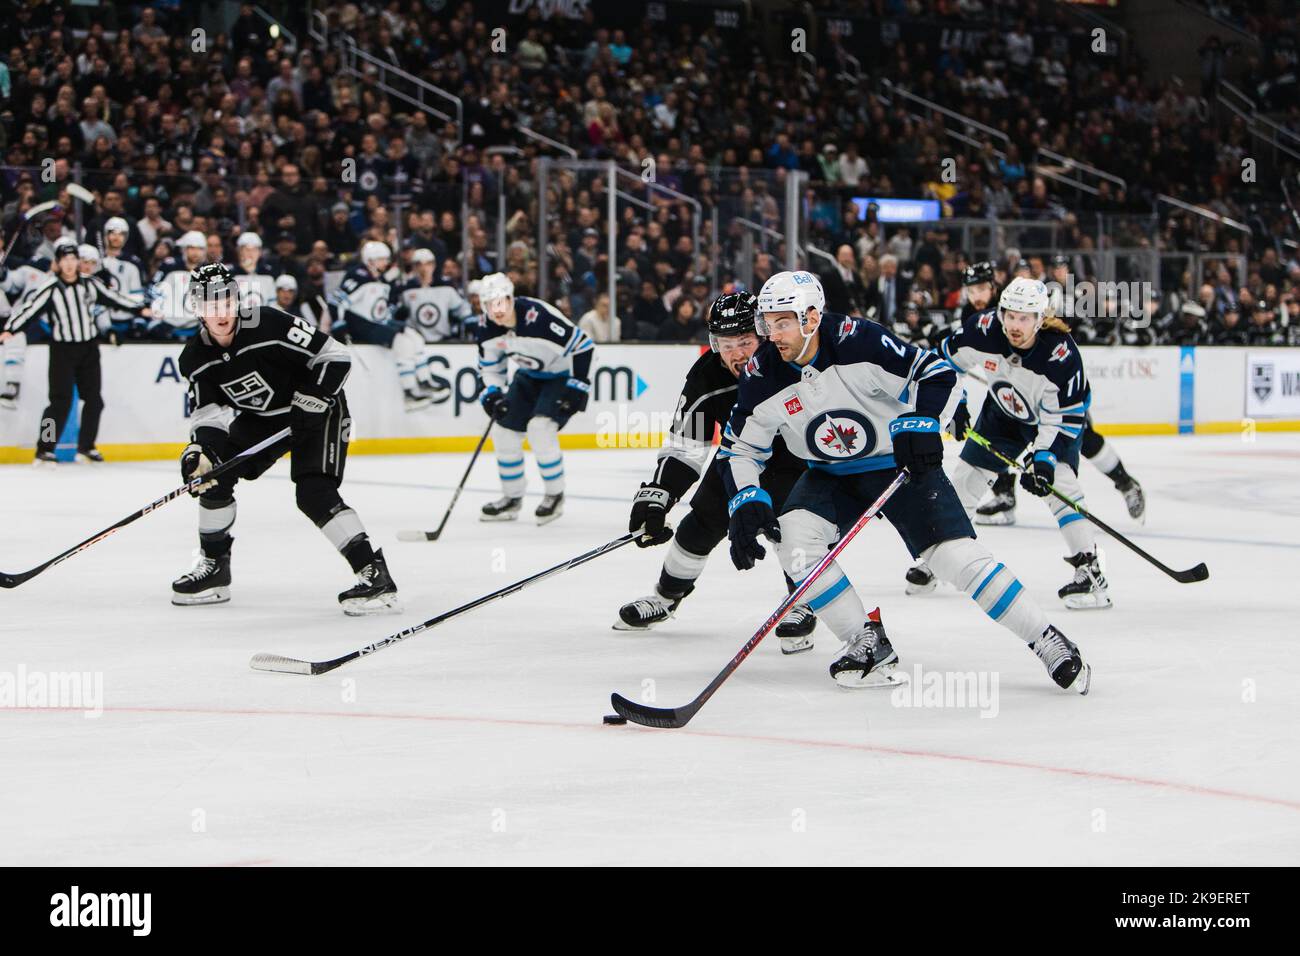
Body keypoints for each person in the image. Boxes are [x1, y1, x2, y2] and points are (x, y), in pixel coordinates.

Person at [718, 270, 1090, 693]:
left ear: (811, 317)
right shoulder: (762, 373)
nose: (772, 334)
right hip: (829, 474)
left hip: (900, 466)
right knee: (795, 542)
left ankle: (1046, 639)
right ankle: (866, 643)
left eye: (782, 323)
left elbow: (935, 373)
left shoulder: (860, 341)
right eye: (767, 323)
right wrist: (745, 498)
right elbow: (739, 450)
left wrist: (923, 424)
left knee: (955, 559)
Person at [173, 263, 397, 613]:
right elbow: (209, 415)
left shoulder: (269, 323)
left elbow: (334, 355)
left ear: (236, 299)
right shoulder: (195, 358)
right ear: (196, 308)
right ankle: (215, 568)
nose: (219, 310)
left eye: (224, 300)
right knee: (215, 475)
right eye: (209, 303)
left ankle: (374, 576)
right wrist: (201, 454)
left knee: (313, 492)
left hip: (319, 410)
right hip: (263, 419)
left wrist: (314, 397)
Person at [614, 293, 818, 650]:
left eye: (745, 342)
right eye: (727, 344)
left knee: (791, 530)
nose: (737, 353)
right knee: (702, 522)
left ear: (763, 333)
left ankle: (803, 600)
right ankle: (666, 597)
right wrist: (659, 495)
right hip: (739, 459)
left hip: (799, 461)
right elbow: (686, 444)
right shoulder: (708, 374)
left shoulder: (791, 362)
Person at [920, 276, 1111, 609]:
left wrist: (1044, 460)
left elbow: (1064, 417)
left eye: (1024, 318)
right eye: (1009, 315)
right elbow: (943, 362)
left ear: (1040, 319)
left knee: (1061, 486)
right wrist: (954, 403)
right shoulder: (984, 330)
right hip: (1005, 411)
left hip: (1056, 420)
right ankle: (940, 554)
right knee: (965, 479)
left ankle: (1090, 570)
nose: (1014, 325)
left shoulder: (1060, 355)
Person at [0, 238, 150, 463]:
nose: (69, 264)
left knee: (94, 400)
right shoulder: (50, 288)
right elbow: (28, 310)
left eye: (73, 259)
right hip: (62, 350)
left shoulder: (90, 284)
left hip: (88, 349)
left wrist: (141, 309)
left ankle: (86, 446)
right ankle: (44, 448)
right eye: (65, 259)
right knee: (59, 402)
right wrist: (10, 329)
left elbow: (115, 299)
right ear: (58, 263)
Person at [474, 272, 594, 525]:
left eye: (500, 301)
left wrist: (578, 385)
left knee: (540, 429)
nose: (496, 309)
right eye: (489, 303)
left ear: (510, 298)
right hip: (529, 375)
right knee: (504, 432)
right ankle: (512, 498)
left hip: (560, 375)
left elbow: (583, 345)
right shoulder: (486, 327)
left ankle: (554, 495)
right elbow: (490, 368)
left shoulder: (538, 317)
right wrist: (492, 393)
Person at [330, 240, 440, 410]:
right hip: (361, 325)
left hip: (378, 322)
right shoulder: (357, 276)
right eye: (382, 259)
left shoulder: (381, 279)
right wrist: (339, 323)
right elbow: (336, 301)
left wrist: (395, 312)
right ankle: (409, 392)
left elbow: (382, 308)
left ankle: (424, 381)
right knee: (402, 343)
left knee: (414, 336)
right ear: (371, 260)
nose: (386, 263)